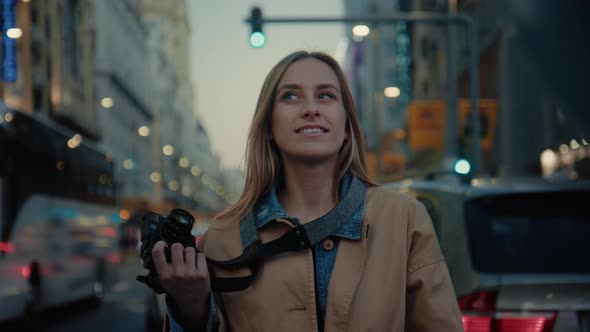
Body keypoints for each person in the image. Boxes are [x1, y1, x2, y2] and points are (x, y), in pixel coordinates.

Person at [151, 50, 463, 331]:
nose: (311, 109)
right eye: (291, 97)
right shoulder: (222, 238)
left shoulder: (404, 219)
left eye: (326, 95)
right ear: (269, 127)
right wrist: (190, 308)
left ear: (346, 126)